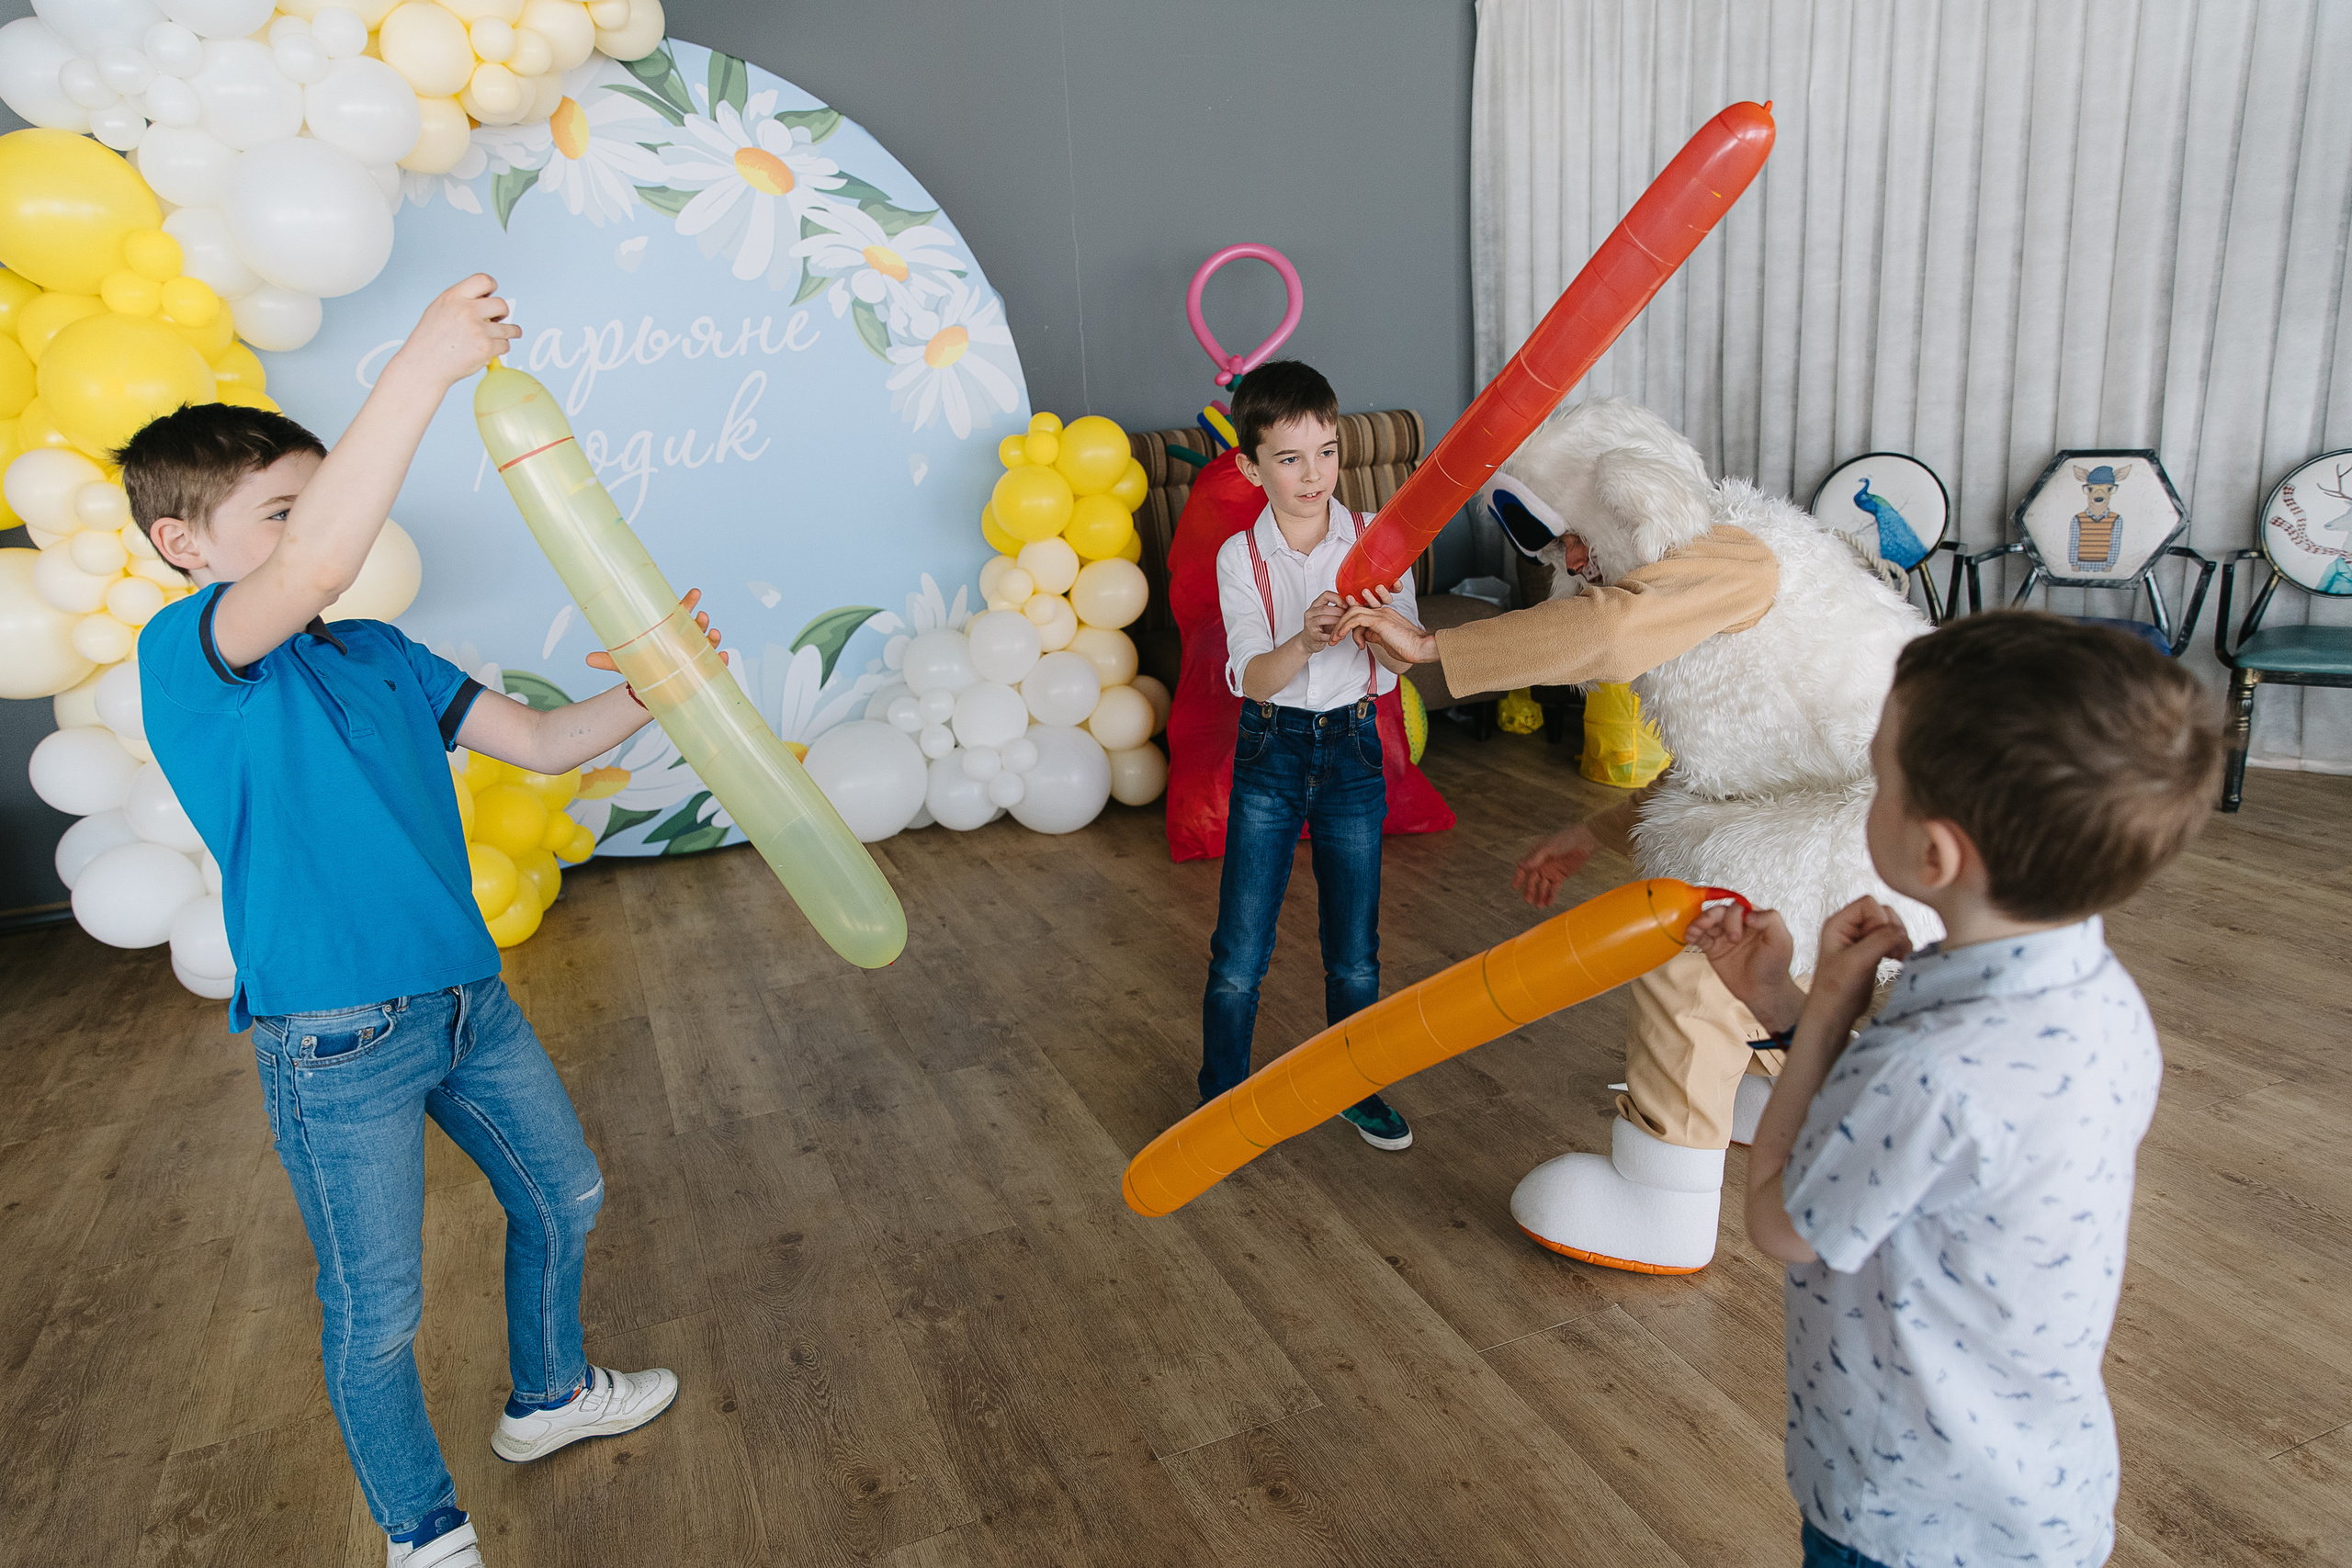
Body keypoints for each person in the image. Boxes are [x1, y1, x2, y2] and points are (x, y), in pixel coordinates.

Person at [130, 276, 696, 1568]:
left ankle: (546, 1398)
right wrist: (430, 360)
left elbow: (548, 741)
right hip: (331, 1035)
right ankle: (423, 1532)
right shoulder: (191, 656)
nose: (317, 533)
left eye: (312, 504)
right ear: (183, 545)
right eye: (279, 512)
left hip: (465, 998)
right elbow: (322, 555)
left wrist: (663, 682)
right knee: (377, 1307)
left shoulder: (379, 650)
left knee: (567, 1192)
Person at [1335, 396, 1936, 1272]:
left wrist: (1432, 652)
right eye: (1553, 548)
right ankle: (1788, 1096)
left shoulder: (1732, 554)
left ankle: (1661, 1195)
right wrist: (1591, 829)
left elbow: (1611, 632)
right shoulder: (1710, 583)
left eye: (1576, 536)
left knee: (1698, 946)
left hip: (1881, 809)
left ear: (1631, 499)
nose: (1571, 563)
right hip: (1855, 807)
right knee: (1770, 952)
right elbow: (1725, 771)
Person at [1683, 612, 2221, 1568]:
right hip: (2033, 1490)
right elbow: (1895, 1142)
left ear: (1933, 856)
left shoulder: (1933, 1066)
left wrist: (1836, 1004)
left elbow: (1780, 1222)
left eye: (1881, 776)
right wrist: (1780, 996)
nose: (1870, 789)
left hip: (1905, 1511)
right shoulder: (2091, 992)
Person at [1200, 360, 1420, 1150]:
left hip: (1355, 747)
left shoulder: (1381, 540)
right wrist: (1308, 635)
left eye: (1325, 451)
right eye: (1289, 458)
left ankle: (1352, 1090)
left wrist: (1385, 630)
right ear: (1250, 467)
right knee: (1239, 950)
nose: (1313, 473)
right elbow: (1253, 678)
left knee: (1355, 953)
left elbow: (1404, 667)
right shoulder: (1239, 559)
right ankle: (1220, 1101)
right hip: (1273, 747)